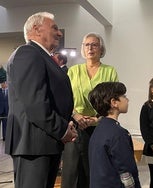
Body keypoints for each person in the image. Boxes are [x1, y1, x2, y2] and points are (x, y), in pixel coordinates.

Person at [4, 12, 78, 188]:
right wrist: (61, 130)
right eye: (54, 27)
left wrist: (68, 123)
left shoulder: (42, 56)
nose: (59, 33)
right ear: (36, 29)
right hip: (33, 145)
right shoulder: (28, 53)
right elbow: (35, 102)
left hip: (44, 142)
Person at [61, 32, 119, 188]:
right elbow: (65, 98)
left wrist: (97, 119)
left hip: (101, 127)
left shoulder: (110, 71)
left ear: (101, 49)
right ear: (83, 49)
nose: (90, 48)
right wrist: (76, 114)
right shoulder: (73, 71)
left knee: (96, 170)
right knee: (73, 171)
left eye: (94, 44)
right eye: (86, 44)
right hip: (76, 125)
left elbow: (114, 101)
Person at [88, 82, 141, 188]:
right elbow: (126, 170)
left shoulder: (98, 129)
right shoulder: (118, 133)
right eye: (124, 96)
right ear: (114, 102)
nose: (127, 100)